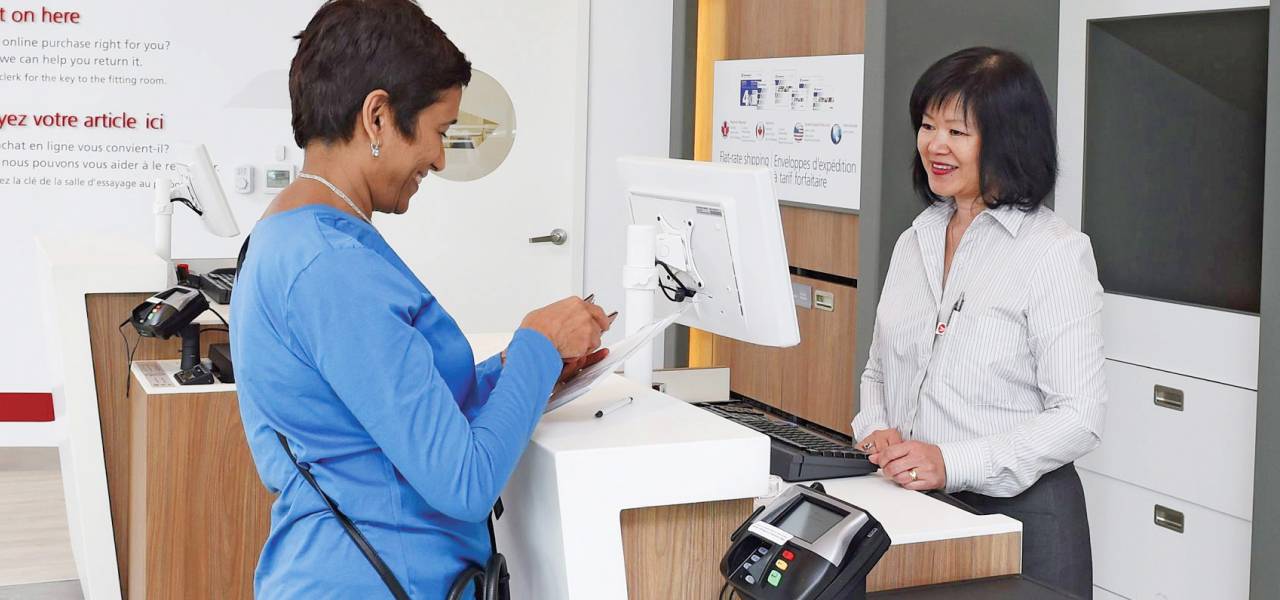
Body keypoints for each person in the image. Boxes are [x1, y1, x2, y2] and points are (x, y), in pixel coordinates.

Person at [229, 1, 611, 597]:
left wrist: (517, 370)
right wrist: (537, 342)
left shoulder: (298, 235)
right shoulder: (329, 266)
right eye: (439, 132)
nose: (438, 158)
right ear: (377, 117)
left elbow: (393, 404)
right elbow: (463, 481)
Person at [852, 47, 1106, 598]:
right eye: (926, 125)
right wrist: (874, 428)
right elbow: (878, 370)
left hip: (1020, 523)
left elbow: (1080, 416)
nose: (934, 145)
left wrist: (953, 461)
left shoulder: (1054, 252)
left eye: (957, 131)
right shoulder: (914, 240)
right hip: (913, 509)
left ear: (1007, 140)